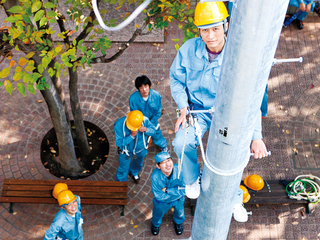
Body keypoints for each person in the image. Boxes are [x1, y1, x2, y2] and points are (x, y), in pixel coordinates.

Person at [170, 1, 268, 222]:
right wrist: (183, 107)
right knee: (180, 143)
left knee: (230, 157)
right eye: (205, 30)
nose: (210, 35)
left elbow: (251, 99)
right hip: (198, 112)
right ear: (199, 30)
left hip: (229, 115)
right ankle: (191, 179)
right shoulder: (188, 50)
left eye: (215, 28)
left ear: (226, 25)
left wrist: (256, 136)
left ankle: (234, 198)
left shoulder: (239, 58)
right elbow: (176, 79)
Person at [114, 110, 155, 183]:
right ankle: (121, 183)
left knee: (138, 164)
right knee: (123, 169)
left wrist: (146, 129)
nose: (132, 129)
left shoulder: (144, 120)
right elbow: (119, 143)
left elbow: (153, 131)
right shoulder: (119, 124)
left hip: (141, 150)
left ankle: (134, 172)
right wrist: (131, 136)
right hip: (126, 152)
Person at [129, 75, 168, 152]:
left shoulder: (156, 95)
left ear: (149, 86)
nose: (144, 90)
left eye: (146, 86)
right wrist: (140, 125)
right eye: (141, 87)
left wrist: (151, 123)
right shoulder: (133, 99)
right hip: (140, 123)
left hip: (153, 121)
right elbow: (133, 113)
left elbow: (158, 110)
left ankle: (163, 146)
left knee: (157, 134)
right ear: (138, 89)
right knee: (139, 137)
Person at [150, 152, 185, 236]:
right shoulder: (155, 177)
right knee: (157, 213)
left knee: (180, 212)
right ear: (158, 166)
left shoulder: (181, 170)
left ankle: (178, 222)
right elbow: (158, 195)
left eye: (168, 160)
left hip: (178, 199)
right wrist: (177, 191)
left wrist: (168, 191)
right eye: (163, 162)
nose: (167, 164)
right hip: (162, 202)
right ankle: (156, 224)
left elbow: (185, 189)